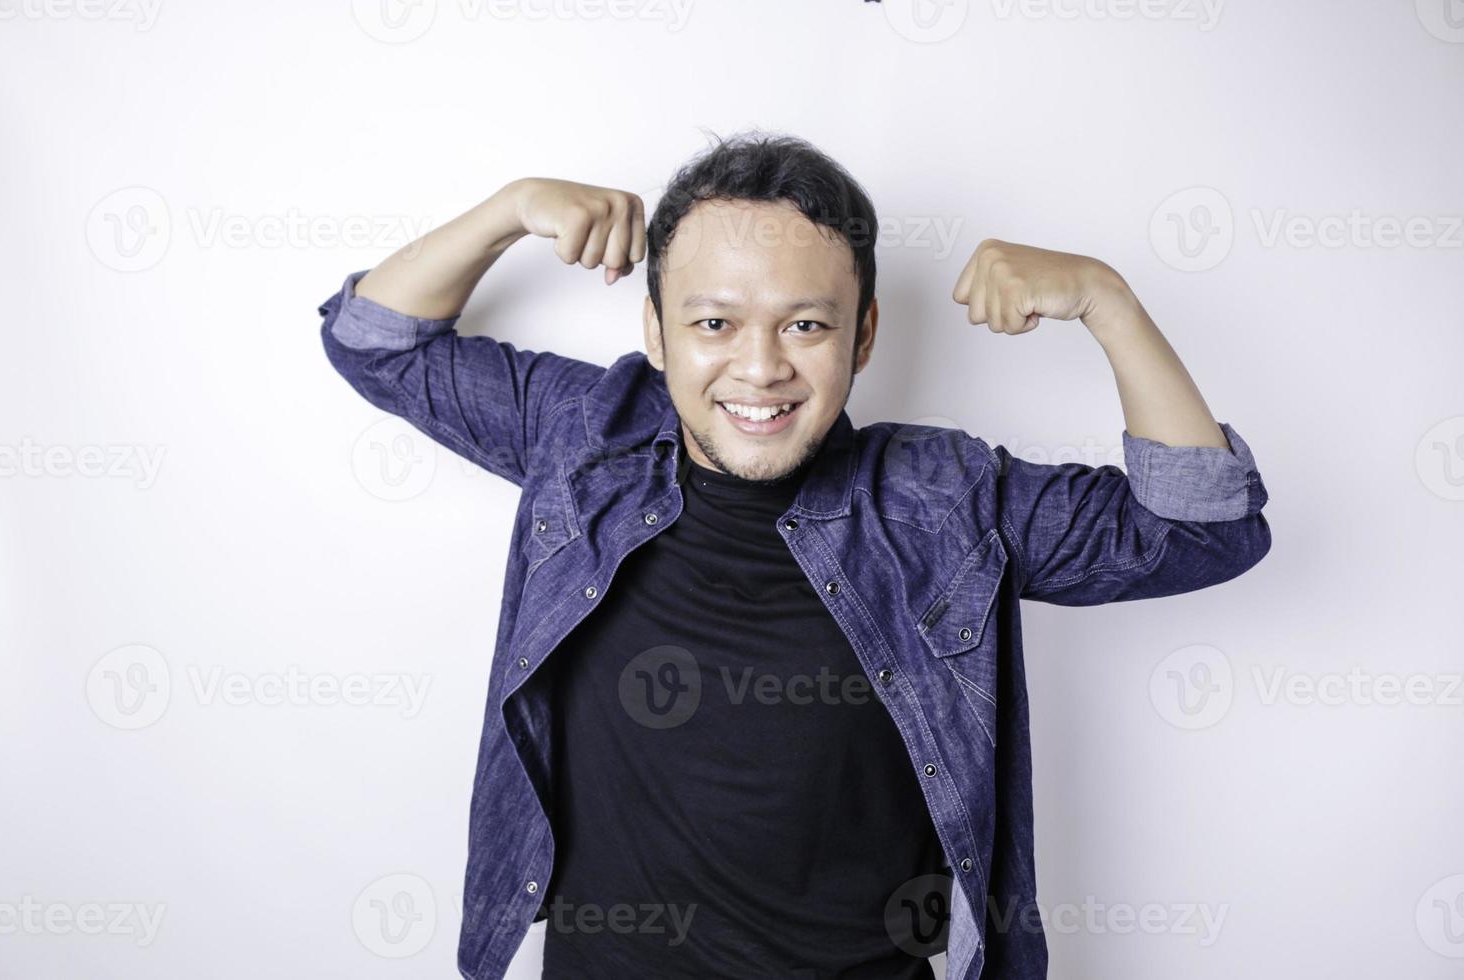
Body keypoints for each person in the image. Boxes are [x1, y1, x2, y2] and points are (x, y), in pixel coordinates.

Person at [316, 131, 1272, 980]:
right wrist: (512, 207)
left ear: (862, 336)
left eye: (806, 324)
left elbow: (1203, 528)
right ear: (656, 332)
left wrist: (1108, 301)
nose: (762, 365)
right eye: (714, 322)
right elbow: (376, 344)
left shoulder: (944, 497)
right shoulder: (584, 433)